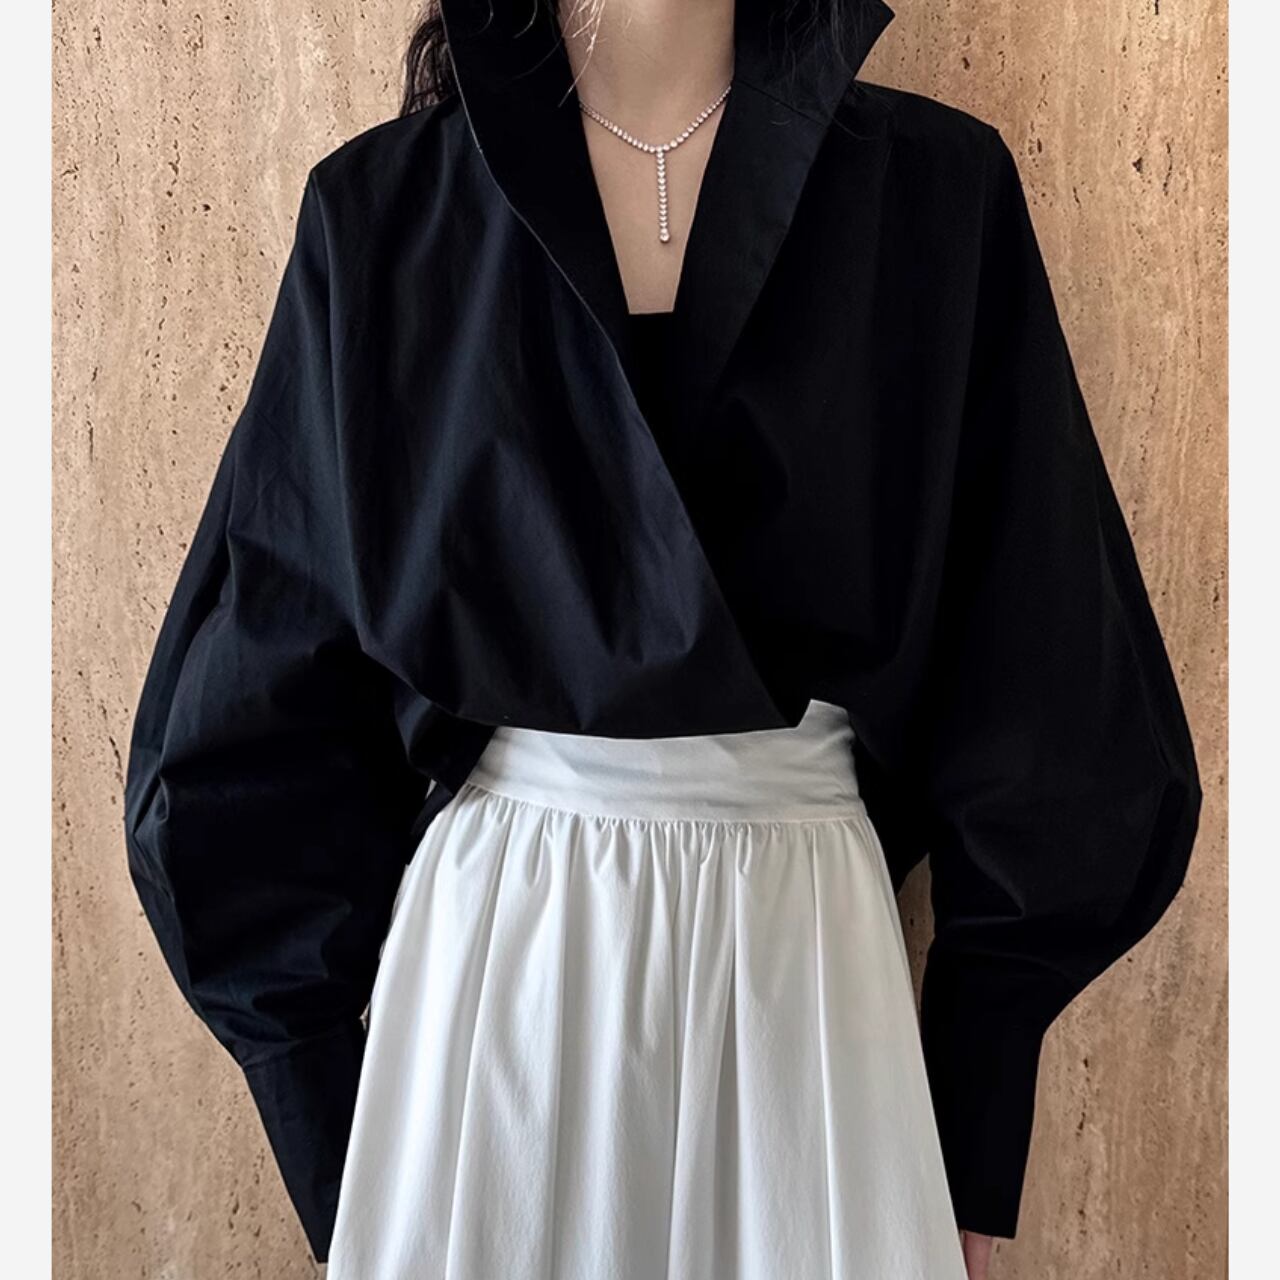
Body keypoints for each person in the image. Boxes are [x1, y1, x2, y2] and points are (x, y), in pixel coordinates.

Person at [122, 1, 1203, 1277]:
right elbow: (250, 714)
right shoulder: (383, 213)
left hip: (806, 961)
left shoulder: (936, 195)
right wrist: (344, 1140)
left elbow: (1046, 669)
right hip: (497, 972)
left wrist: (973, 1102)